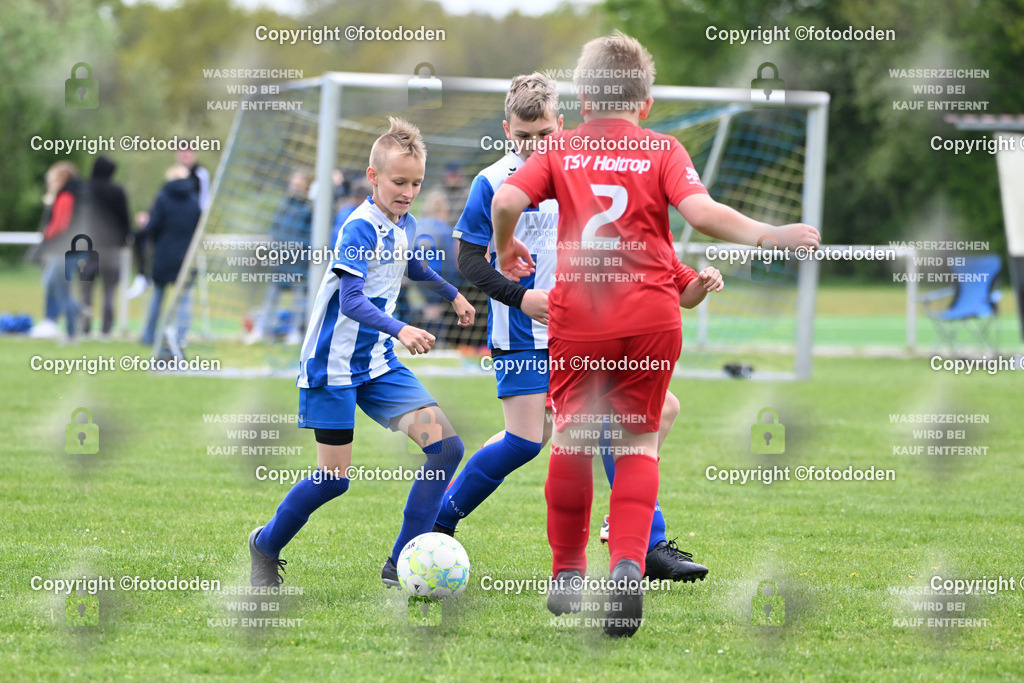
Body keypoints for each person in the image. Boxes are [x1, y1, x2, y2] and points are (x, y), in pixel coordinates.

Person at [492, 32, 820, 637]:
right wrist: (771, 235)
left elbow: (508, 196)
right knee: (639, 444)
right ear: (645, 102)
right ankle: (624, 569)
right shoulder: (663, 149)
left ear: (584, 98)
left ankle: (568, 575)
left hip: (580, 317)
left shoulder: (560, 149)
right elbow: (703, 215)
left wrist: (507, 243)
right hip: (651, 316)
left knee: (572, 439)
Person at [433, 72, 709, 584]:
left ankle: (642, 542)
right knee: (526, 439)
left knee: (638, 420)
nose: (535, 145)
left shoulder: (583, 172)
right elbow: (468, 258)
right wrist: (522, 298)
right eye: (523, 136)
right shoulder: (492, 182)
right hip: (521, 333)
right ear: (506, 130)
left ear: (563, 124)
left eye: (544, 135)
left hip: (587, 329)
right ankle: (439, 522)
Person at [248, 117, 476, 589]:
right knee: (334, 480)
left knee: (446, 448)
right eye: (398, 182)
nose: (408, 191)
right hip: (332, 368)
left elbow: (411, 264)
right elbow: (351, 301)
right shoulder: (358, 228)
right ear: (373, 178)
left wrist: (451, 293)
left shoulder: (403, 222)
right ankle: (265, 545)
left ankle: (400, 565)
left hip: (377, 367)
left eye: (416, 182)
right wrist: (401, 329)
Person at [247, 170, 313, 344]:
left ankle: (296, 333)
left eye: (299, 184)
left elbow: (312, 235)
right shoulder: (284, 206)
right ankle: (262, 331)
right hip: (280, 262)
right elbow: (275, 230)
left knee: (299, 302)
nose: (296, 187)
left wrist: (301, 252)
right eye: (294, 183)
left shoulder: (309, 208)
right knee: (270, 299)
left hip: (298, 263)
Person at [140, 164, 202, 346]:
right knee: (184, 299)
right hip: (185, 256)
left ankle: (149, 336)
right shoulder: (193, 200)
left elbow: (153, 227)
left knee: (157, 296)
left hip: (164, 254)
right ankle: (181, 337)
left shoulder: (163, 198)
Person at [78, 155, 131, 338]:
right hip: (111, 247)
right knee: (109, 290)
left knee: (86, 288)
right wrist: (123, 240)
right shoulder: (117, 191)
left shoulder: (85, 190)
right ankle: (106, 328)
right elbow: (124, 219)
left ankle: (85, 325)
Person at [29, 162, 83, 340]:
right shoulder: (68, 195)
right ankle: (77, 310)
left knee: (60, 289)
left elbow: (59, 226)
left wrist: (46, 243)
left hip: (62, 251)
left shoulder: (66, 197)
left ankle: (71, 331)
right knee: (51, 284)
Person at [176, 146, 211, 211]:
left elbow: (205, 197)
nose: (185, 154)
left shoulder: (201, 173)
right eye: (182, 152)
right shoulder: (174, 174)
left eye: (187, 151)